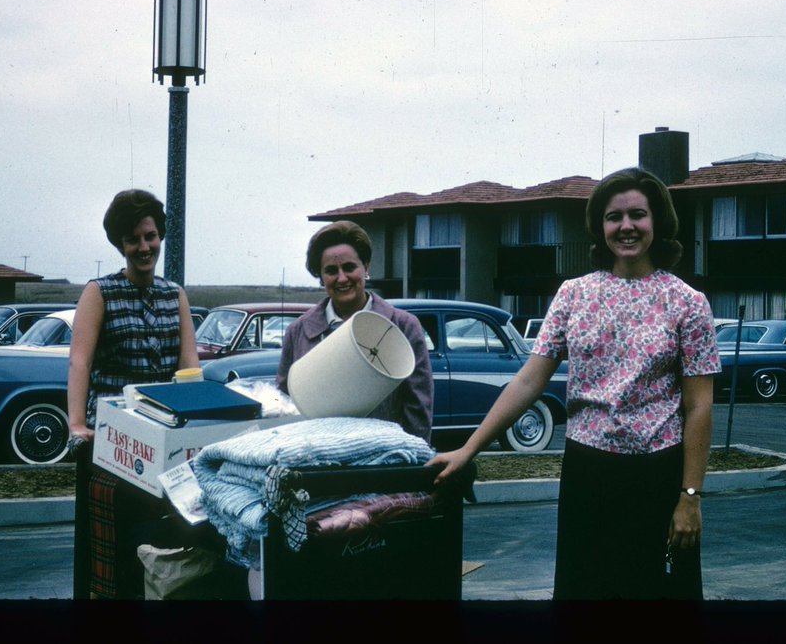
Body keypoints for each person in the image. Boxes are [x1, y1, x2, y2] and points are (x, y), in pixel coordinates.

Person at [428, 167, 720, 600]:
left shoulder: (688, 303)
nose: (626, 227)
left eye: (637, 214)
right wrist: (469, 448)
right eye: (613, 217)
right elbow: (528, 382)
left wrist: (690, 496)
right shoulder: (574, 295)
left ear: (657, 221)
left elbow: (699, 407)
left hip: (658, 476)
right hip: (589, 473)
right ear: (599, 227)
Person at [66, 188, 201, 599]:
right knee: (111, 550)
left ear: (160, 236)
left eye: (150, 236)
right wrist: (76, 424)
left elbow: (189, 369)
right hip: (112, 443)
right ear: (120, 244)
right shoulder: (99, 292)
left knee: (163, 542)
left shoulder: (174, 294)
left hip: (164, 443)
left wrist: (195, 430)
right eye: (133, 239)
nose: (144, 247)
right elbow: (79, 363)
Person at [276, 220, 433, 443]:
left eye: (349, 267)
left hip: (382, 463)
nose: (342, 278)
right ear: (321, 277)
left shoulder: (404, 326)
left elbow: (418, 411)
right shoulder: (297, 332)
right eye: (331, 271)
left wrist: (409, 468)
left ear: (366, 267)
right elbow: (285, 403)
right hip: (316, 463)